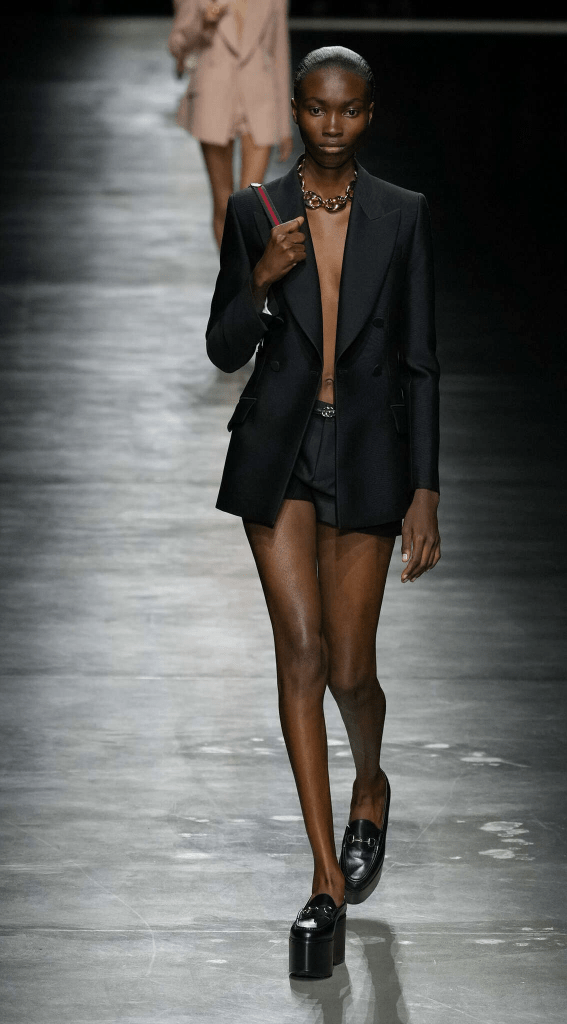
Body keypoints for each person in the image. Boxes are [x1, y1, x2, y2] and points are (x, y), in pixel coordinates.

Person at [205, 46, 440, 978]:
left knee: (350, 669)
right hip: (281, 453)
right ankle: (323, 880)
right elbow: (223, 347)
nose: (330, 125)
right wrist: (260, 275)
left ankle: (369, 783)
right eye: (313, 108)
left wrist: (425, 489)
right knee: (299, 652)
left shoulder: (403, 214)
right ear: (296, 111)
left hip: (371, 456)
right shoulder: (255, 210)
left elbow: (420, 361)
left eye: (346, 110)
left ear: (368, 114)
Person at [169, 0, 293, 247]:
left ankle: (247, 271)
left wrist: (285, 124)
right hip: (212, 98)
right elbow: (177, 44)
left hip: (261, 99)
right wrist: (203, 22)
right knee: (223, 202)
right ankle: (232, 270)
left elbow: (280, 51)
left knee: (250, 204)